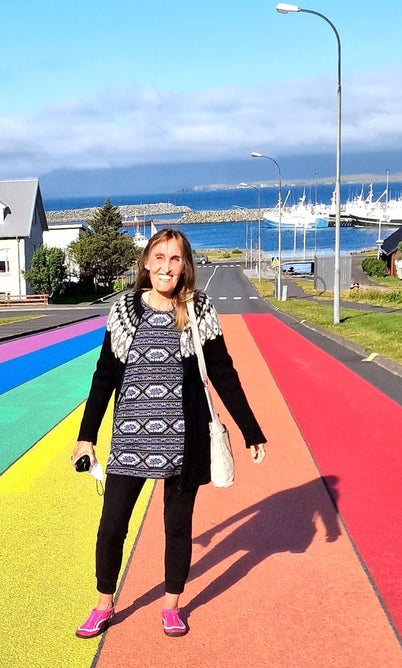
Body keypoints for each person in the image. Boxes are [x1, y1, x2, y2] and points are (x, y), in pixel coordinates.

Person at [71, 229, 266, 638]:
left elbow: (223, 372)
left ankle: (172, 605)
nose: (166, 266)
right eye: (159, 257)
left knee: (176, 527)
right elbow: (104, 376)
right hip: (129, 440)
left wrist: (251, 430)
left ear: (185, 265)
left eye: (174, 259)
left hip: (184, 441)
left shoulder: (199, 309)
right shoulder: (125, 309)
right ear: (145, 263)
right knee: (111, 527)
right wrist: (86, 435)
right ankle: (103, 604)